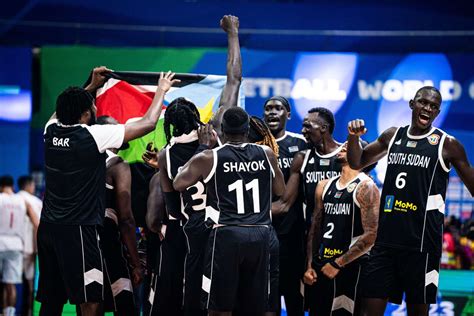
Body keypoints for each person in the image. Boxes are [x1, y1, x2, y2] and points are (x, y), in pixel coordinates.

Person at [37, 68, 179, 316]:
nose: (95, 111)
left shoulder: (51, 131)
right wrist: (161, 91)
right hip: (79, 229)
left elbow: (63, 111)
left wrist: (90, 85)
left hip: (48, 228)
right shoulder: (93, 135)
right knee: (91, 299)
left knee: (51, 299)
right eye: (92, 108)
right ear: (85, 114)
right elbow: (146, 124)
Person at [346, 86, 474, 316]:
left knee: (418, 312)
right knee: (368, 311)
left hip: (422, 245)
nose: (427, 108)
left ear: (437, 112)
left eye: (433, 106)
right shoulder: (392, 135)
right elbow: (357, 163)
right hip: (385, 241)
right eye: (423, 103)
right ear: (412, 104)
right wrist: (354, 137)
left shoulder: (447, 144)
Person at [146, 14, 242, 316]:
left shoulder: (165, 154)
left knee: (182, 294)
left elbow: (172, 206)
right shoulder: (215, 131)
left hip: (185, 229)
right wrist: (232, 34)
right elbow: (234, 78)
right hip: (222, 227)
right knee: (218, 296)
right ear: (196, 115)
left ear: (170, 126)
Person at [173, 107, 285, 316]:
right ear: (247, 129)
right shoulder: (266, 153)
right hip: (261, 234)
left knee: (219, 308)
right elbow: (280, 190)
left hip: (227, 235)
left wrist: (203, 147)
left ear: (222, 130)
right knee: (256, 308)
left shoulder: (209, 157)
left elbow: (178, 183)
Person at [303, 144, 380, 316]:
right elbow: (315, 228)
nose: (345, 146)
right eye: (345, 144)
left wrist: (338, 263)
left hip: (350, 267)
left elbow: (371, 235)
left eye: (351, 146)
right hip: (322, 266)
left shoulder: (366, 186)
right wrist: (309, 265)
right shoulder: (324, 185)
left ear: (361, 155)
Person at [263, 96, 307, 315]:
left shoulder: (301, 144)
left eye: (278, 108)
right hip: (263, 230)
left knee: (294, 297)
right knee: (267, 298)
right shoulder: (255, 145)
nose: (272, 112)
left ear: (288, 114)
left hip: (294, 232)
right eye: (268, 109)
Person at [96, 115, 143, 315]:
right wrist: (135, 262)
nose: (123, 130)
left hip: (80, 238)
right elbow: (126, 219)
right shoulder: (116, 164)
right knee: (125, 305)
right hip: (106, 239)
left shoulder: (81, 159)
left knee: (90, 303)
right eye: (116, 127)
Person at [0, 175, 39, 316]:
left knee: (5, 284)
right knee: (12, 284)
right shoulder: (23, 201)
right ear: (12, 186)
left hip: (1, 243)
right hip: (17, 245)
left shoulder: (1, 199)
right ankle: (12, 313)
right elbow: (36, 223)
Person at [17, 175, 42, 316]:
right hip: (30, 247)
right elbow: (38, 224)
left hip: (13, 246)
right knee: (31, 283)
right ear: (28, 185)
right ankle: (29, 312)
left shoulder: (14, 199)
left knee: (7, 281)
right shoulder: (35, 201)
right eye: (32, 185)